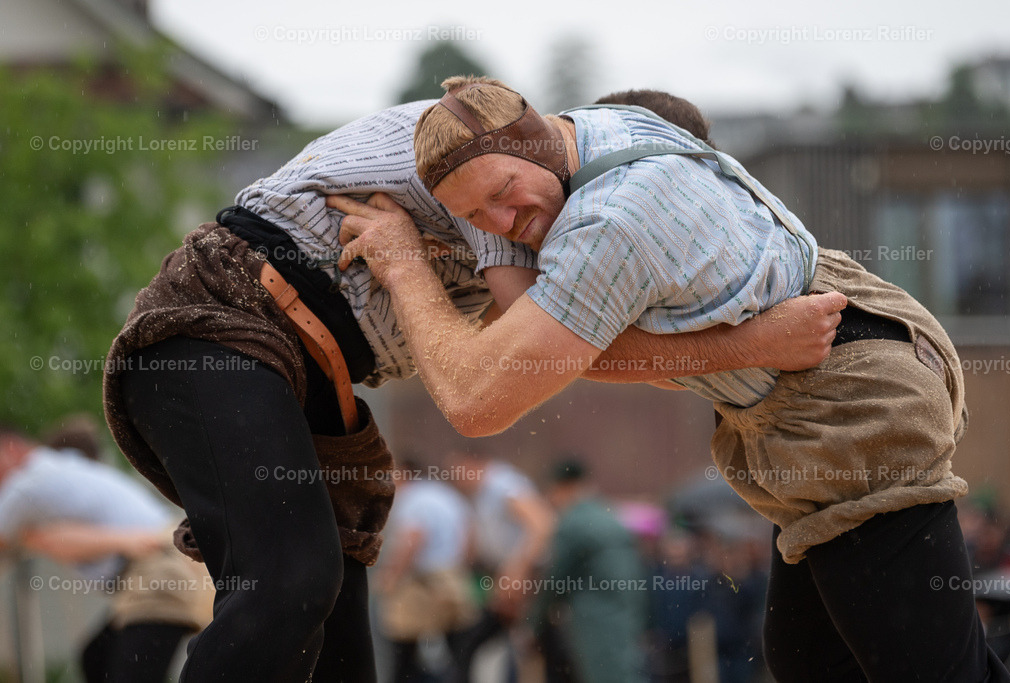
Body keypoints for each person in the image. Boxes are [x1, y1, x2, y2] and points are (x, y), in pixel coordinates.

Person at [102, 97, 845, 681]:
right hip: (216, 321)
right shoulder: (482, 156)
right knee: (291, 579)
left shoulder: (563, 202)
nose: (501, 215)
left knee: (336, 638)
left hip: (310, 371)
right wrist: (755, 342)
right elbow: (489, 390)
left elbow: (564, 350)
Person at [328, 76, 1010, 682]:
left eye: (504, 196)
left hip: (851, 406)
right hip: (830, 388)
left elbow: (480, 400)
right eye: (477, 218)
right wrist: (747, 341)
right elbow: (568, 339)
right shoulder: (605, 126)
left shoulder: (612, 222)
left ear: (537, 138)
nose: (503, 226)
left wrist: (405, 264)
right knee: (817, 660)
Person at [0, 424, 212, 683]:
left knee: (127, 675)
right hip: (162, 559)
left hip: (159, 566)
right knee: (97, 658)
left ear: (10, 448)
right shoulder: (62, 466)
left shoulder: (25, 483)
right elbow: (53, 539)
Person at [532, 457, 646, 683]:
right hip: (626, 609)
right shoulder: (609, 514)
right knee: (625, 671)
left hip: (594, 615)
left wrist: (532, 623)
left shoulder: (573, 521)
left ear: (564, 487)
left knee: (604, 675)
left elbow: (556, 579)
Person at [446, 450, 554, 682]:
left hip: (530, 579)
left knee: (541, 647)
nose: (456, 478)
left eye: (457, 470)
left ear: (472, 464)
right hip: (509, 580)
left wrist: (516, 572)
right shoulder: (480, 495)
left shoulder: (502, 483)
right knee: (484, 644)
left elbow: (541, 525)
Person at [375, 459, 477, 682]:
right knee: (458, 650)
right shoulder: (447, 494)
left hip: (423, 581)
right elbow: (469, 538)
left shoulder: (412, 499)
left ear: (404, 473)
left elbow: (413, 539)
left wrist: (391, 577)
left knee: (401, 646)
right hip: (454, 577)